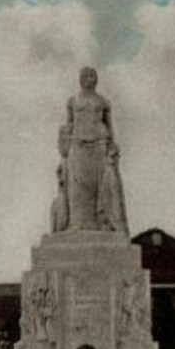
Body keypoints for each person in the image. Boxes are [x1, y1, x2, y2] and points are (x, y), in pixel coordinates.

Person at [59, 66, 128, 233]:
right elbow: (68, 125)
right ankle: (77, 223)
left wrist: (112, 144)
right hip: (77, 143)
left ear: (96, 79)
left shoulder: (103, 102)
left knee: (101, 185)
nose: (88, 78)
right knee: (77, 185)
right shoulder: (73, 101)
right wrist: (64, 149)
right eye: (84, 75)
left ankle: (102, 222)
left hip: (99, 144)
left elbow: (110, 126)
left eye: (91, 75)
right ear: (80, 78)